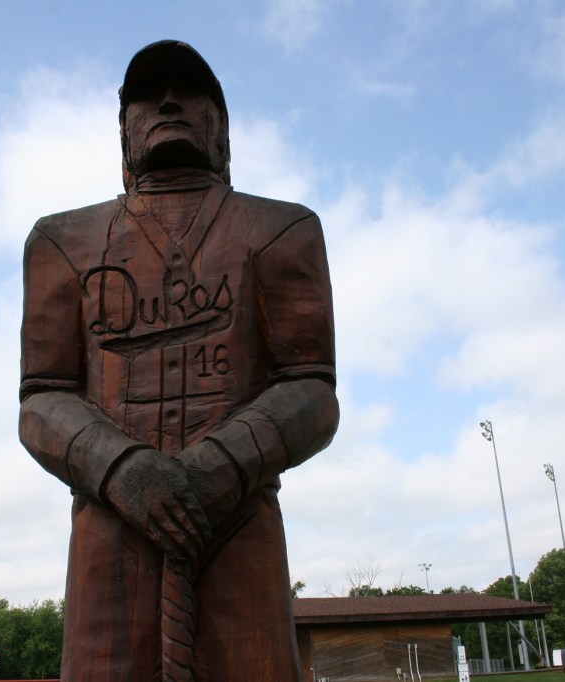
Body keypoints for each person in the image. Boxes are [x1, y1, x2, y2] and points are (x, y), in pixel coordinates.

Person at [19, 40, 339, 682]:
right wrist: (121, 466)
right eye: (147, 95)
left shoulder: (281, 229)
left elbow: (312, 387)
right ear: (124, 136)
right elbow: (42, 398)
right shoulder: (63, 242)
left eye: (191, 93)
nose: (168, 102)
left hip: (238, 516)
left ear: (222, 133)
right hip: (111, 526)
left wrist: (223, 464)